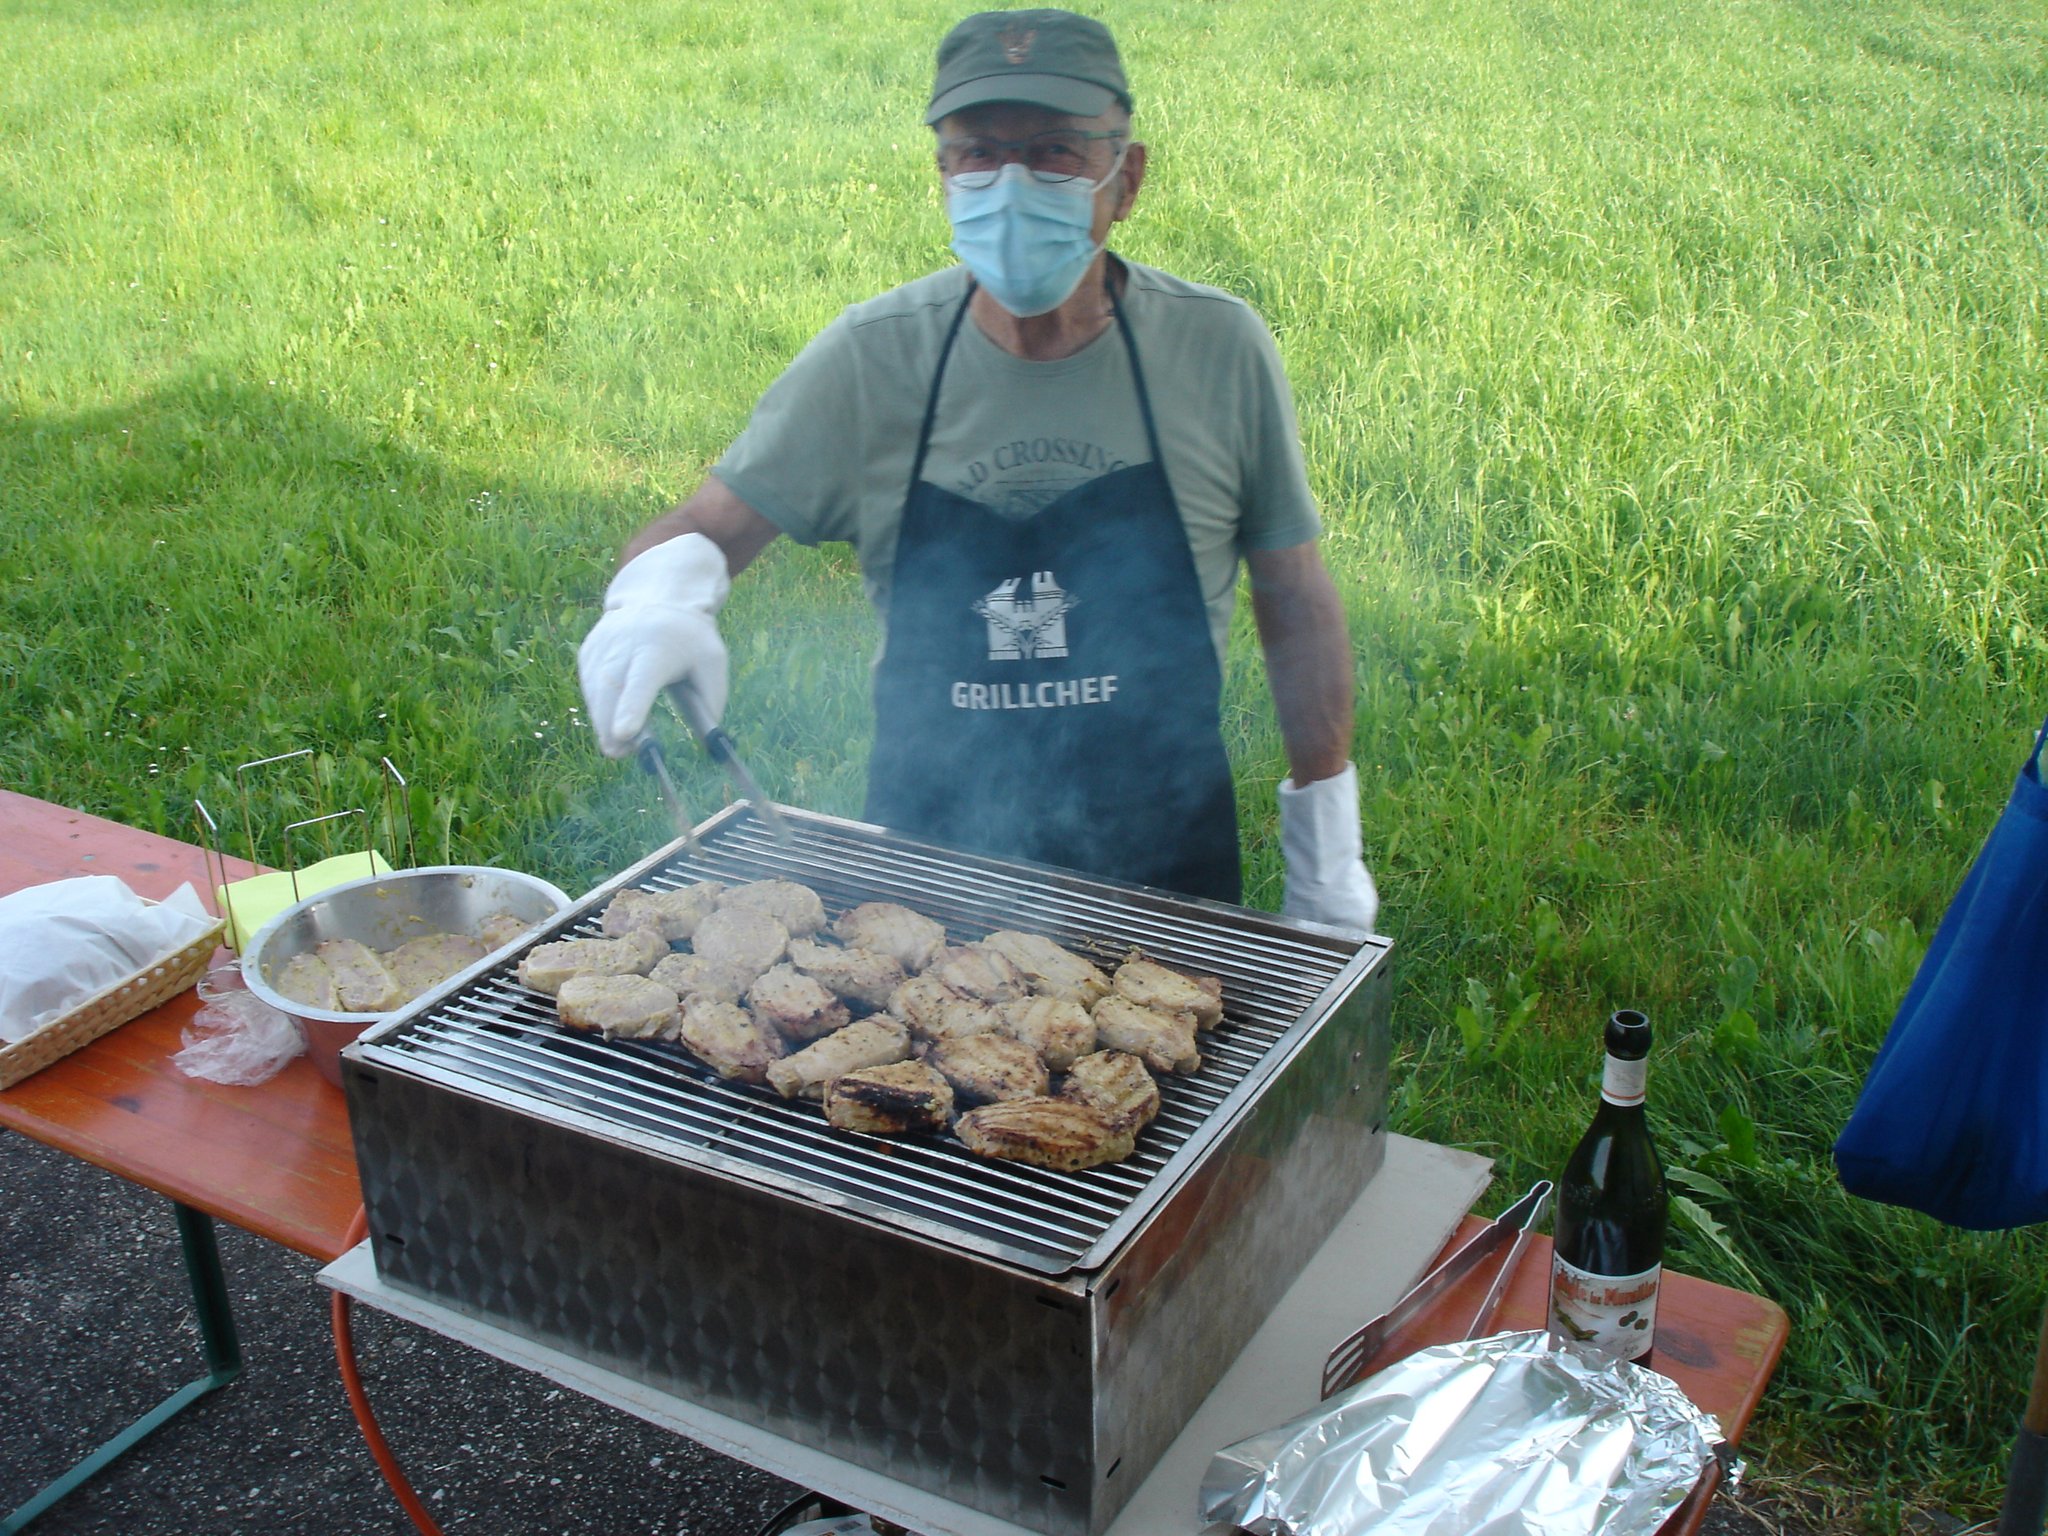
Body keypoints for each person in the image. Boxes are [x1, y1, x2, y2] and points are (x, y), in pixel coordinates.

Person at [578, 8, 1377, 932]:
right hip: (927, 879)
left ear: (1126, 178)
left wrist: (1326, 849)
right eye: (978, 154)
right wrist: (655, 600)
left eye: (1054, 152)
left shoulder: (1215, 348)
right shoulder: (873, 358)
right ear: (944, 177)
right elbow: (702, 529)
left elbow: (1293, 591)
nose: (1012, 183)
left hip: (1165, 863)